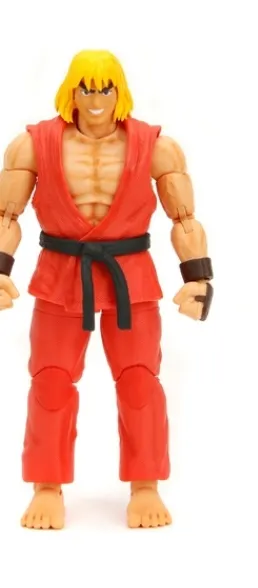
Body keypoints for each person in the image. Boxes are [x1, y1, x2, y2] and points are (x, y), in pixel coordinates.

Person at [0, 49, 213, 529]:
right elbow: (6, 215)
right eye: (86, 88)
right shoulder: (31, 145)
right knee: (50, 380)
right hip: (61, 271)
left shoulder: (157, 147)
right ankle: (47, 486)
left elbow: (184, 218)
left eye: (105, 88)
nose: (96, 98)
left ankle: (145, 485)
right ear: (71, 92)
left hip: (130, 272)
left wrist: (198, 277)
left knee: (140, 381)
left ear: (120, 92)